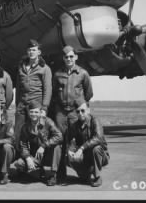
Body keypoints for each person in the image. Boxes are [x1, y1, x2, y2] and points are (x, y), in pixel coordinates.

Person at [51, 45, 93, 183]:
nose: (68, 59)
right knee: (60, 142)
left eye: (71, 56)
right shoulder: (57, 74)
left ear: (76, 57)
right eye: (66, 57)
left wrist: (80, 106)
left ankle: (85, 172)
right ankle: (59, 174)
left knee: (77, 141)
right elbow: (54, 93)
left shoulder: (83, 73)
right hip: (61, 113)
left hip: (75, 113)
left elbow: (88, 93)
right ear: (63, 58)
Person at [14, 100, 63, 186]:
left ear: (40, 113)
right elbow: (23, 145)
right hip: (36, 156)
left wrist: (44, 146)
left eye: (36, 112)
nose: (33, 114)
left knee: (57, 147)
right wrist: (28, 158)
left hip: (48, 155)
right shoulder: (25, 127)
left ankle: (53, 175)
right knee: (19, 163)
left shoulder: (48, 122)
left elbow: (59, 136)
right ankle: (39, 172)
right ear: (28, 113)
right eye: (31, 112)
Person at [14, 39, 52, 149]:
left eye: (34, 50)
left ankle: (36, 162)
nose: (31, 52)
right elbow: (18, 88)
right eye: (29, 50)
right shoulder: (21, 67)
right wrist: (17, 105)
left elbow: (47, 89)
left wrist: (44, 108)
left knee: (36, 134)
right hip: (22, 105)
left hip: (36, 106)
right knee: (19, 133)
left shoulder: (45, 69)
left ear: (39, 52)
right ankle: (20, 159)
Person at [67, 98, 109, 187]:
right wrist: (70, 150)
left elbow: (98, 138)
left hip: (100, 154)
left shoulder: (95, 121)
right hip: (86, 155)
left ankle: (97, 177)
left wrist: (82, 148)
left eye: (83, 111)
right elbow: (72, 140)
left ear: (88, 110)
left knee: (96, 149)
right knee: (68, 156)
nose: (80, 114)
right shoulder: (75, 125)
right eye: (78, 111)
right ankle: (85, 175)